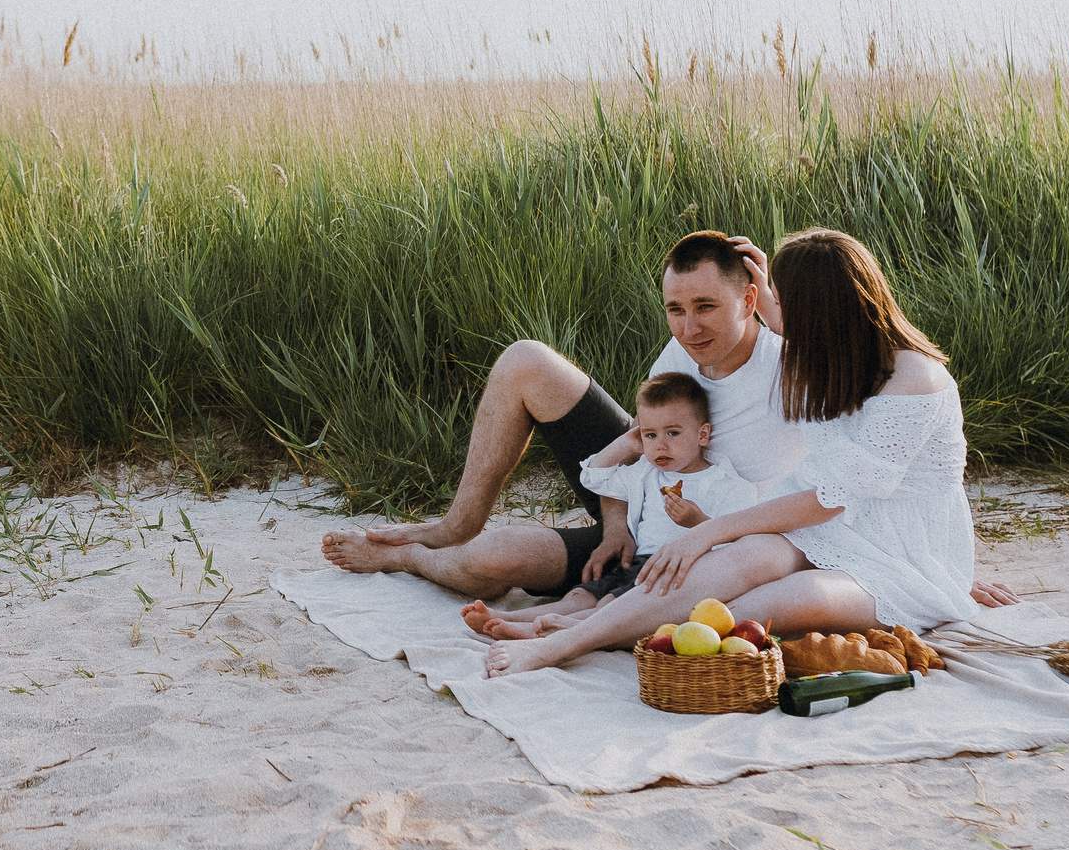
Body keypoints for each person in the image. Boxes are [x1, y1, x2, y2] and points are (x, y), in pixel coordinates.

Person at [481, 227, 990, 677]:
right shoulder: (829, 358)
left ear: (827, 312)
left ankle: (588, 630)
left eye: (785, 305)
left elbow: (831, 498)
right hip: (830, 533)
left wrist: (710, 530)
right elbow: (781, 327)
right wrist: (761, 297)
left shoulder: (915, 380)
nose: (777, 320)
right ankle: (572, 637)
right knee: (733, 564)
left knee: (771, 604)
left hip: (903, 559)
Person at [320, 229, 803, 601]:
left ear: (748, 300)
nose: (689, 328)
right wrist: (616, 528)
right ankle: (454, 527)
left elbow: (852, 370)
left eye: (705, 306)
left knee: (490, 562)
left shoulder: (796, 363)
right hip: (639, 509)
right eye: (675, 309)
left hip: (711, 539)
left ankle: (408, 559)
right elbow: (638, 448)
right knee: (525, 360)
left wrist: (778, 312)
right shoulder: (678, 354)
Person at [463, 370, 761, 641]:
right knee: (580, 595)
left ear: (702, 434)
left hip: (679, 571)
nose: (660, 444)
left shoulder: (724, 483)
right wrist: (627, 444)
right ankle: (511, 617)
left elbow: (740, 543)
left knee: (610, 603)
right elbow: (593, 477)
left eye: (673, 433)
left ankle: (556, 630)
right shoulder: (647, 472)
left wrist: (697, 521)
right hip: (638, 562)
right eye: (650, 434)